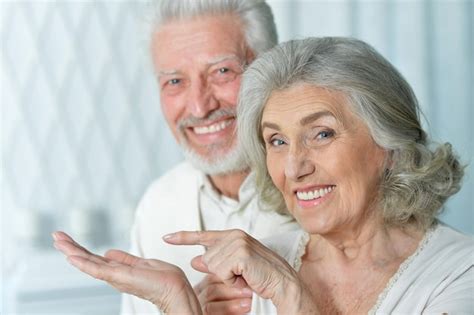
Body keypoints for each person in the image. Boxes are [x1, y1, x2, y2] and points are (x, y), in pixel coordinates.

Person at [53, 37, 473, 314]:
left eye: (321, 134)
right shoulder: (260, 261)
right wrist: (179, 304)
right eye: (276, 141)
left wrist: (294, 298)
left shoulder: (460, 274)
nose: (294, 167)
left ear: (390, 146)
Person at [122, 0, 298, 314]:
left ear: (272, 69)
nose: (200, 108)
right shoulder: (157, 205)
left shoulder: (324, 194)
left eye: (222, 72)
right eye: (175, 81)